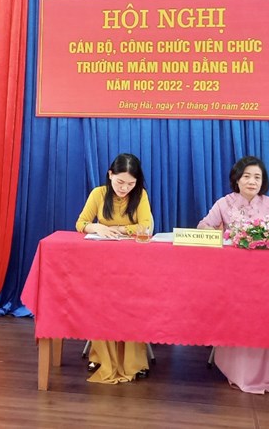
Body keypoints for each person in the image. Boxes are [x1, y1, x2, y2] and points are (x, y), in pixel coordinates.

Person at [197, 155, 269, 393]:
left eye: (257, 177)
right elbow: (203, 227)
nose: (252, 181)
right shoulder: (224, 203)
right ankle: (238, 369)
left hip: (267, 277)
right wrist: (221, 234)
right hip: (233, 276)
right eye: (246, 176)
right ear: (237, 179)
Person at [75, 153, 153, 383]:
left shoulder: (140, 196)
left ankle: (134, 361)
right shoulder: (98, 194)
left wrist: (117, 229)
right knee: (100, 301)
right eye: (120, 182)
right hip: (101, 264)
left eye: (130, 184)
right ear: (110, 175)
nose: (124, 188)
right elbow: (81, 223)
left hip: (133, 266)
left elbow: (145, 226)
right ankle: (100, 356)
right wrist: (95, 228)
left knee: (132, 303)